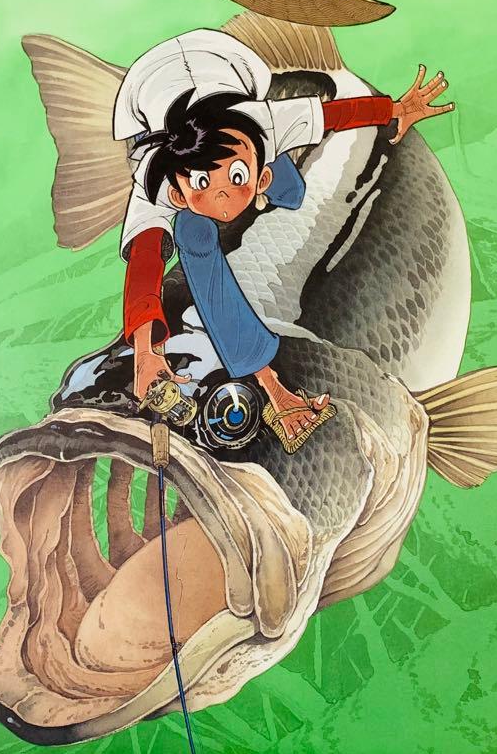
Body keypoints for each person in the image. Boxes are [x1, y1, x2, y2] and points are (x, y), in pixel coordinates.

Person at [116, 28, 452, 451]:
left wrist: (396, 110)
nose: (222, 197)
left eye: (237, 177)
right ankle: (234, 182)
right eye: (202, 185)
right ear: (179, 195)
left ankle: (269, 182)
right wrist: (146, 353)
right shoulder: (158, 190)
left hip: (227, 63)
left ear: (260, 167)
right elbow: (144, 267)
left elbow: (335, 115)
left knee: (291, 193)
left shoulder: (269, 122)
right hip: (146, 88)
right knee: (193, 231)